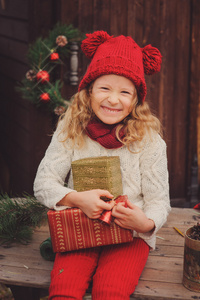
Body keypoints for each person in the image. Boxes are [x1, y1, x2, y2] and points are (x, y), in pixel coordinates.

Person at [34, 31, 171, 300]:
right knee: (63, 291)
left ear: (136, 99)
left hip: (129, 236)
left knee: (110, 292)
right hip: (80, 229)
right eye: (104, 88)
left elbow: (159, 200)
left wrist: (145, 223)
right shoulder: (71, 129)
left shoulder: (149, 140)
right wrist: (76, 199)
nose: (113, 99)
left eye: (124, 92)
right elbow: (43, 183)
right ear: (89, 91)